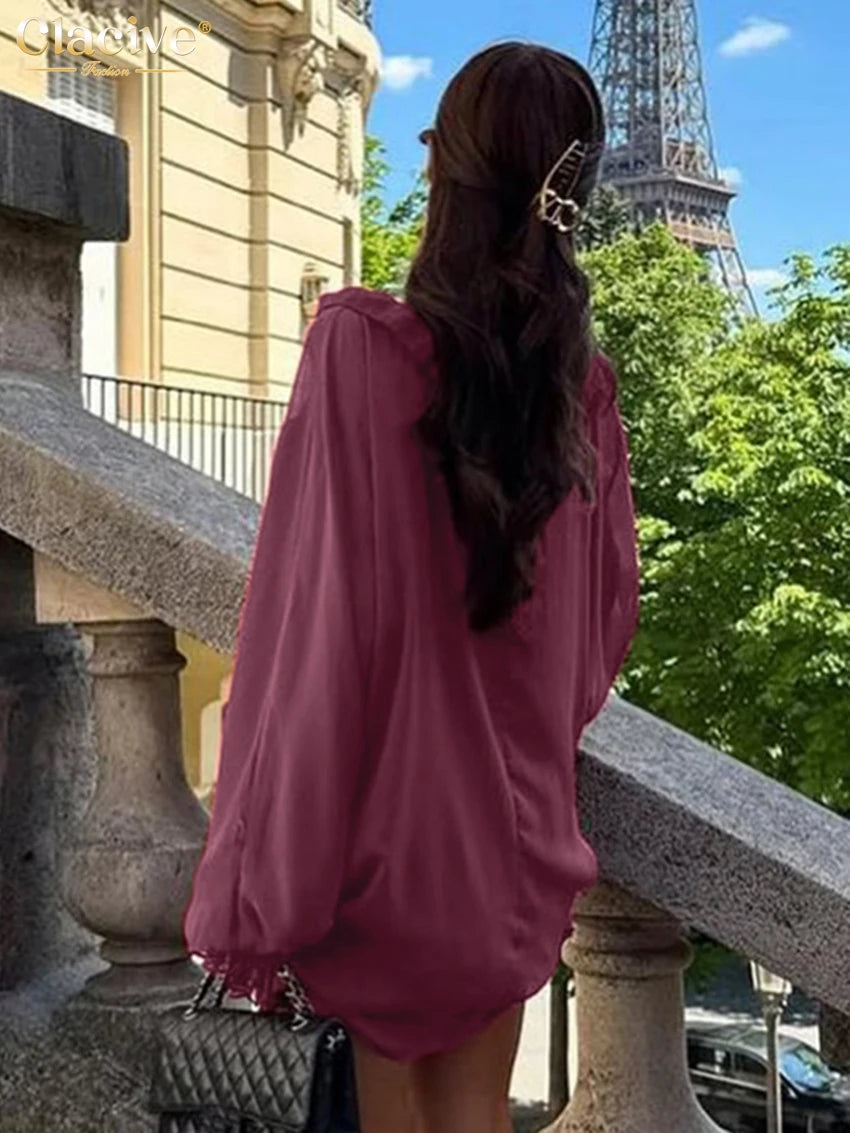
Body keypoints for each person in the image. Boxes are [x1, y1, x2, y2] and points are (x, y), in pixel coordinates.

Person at [183, 40, 640, 1133]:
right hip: (515, 851)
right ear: (569, 194)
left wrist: (265, 867)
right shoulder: (581, 389)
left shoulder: (356, 350)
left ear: (443, 166)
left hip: (376, 855)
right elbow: (601, 635)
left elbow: (306, 625)